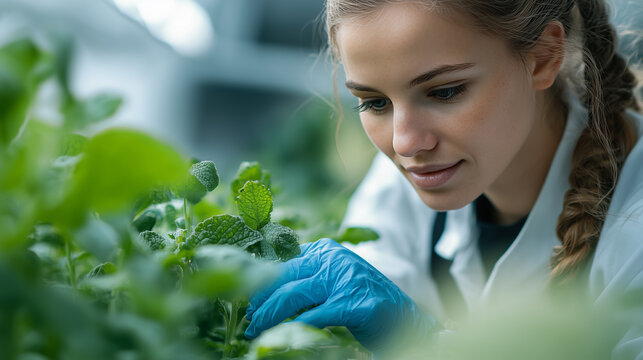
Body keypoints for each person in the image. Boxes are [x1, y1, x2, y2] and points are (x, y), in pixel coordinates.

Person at [244, 0, 643, 357]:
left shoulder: (634, 230)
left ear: (542, 56)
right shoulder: (406, 180)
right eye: (375, 102)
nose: (405, 143)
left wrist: (423, 339)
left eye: (445, 92)